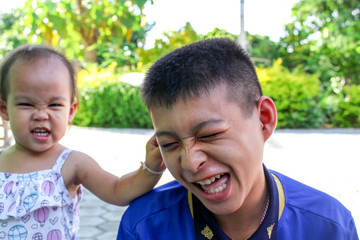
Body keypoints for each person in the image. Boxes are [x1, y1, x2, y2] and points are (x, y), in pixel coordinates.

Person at [117, 38, 359, 240]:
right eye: (169, 144)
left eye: (210, 135)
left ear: (263, 119)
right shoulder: (144, 227)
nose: (190, 162)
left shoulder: (330, 227)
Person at [0, 44, 165, 239]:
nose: (41, 115)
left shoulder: (71, 163)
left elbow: (117, 190)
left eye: (54, 105)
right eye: (26, 104)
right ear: (4, 109)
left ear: (70, 111)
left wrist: (151, 168)